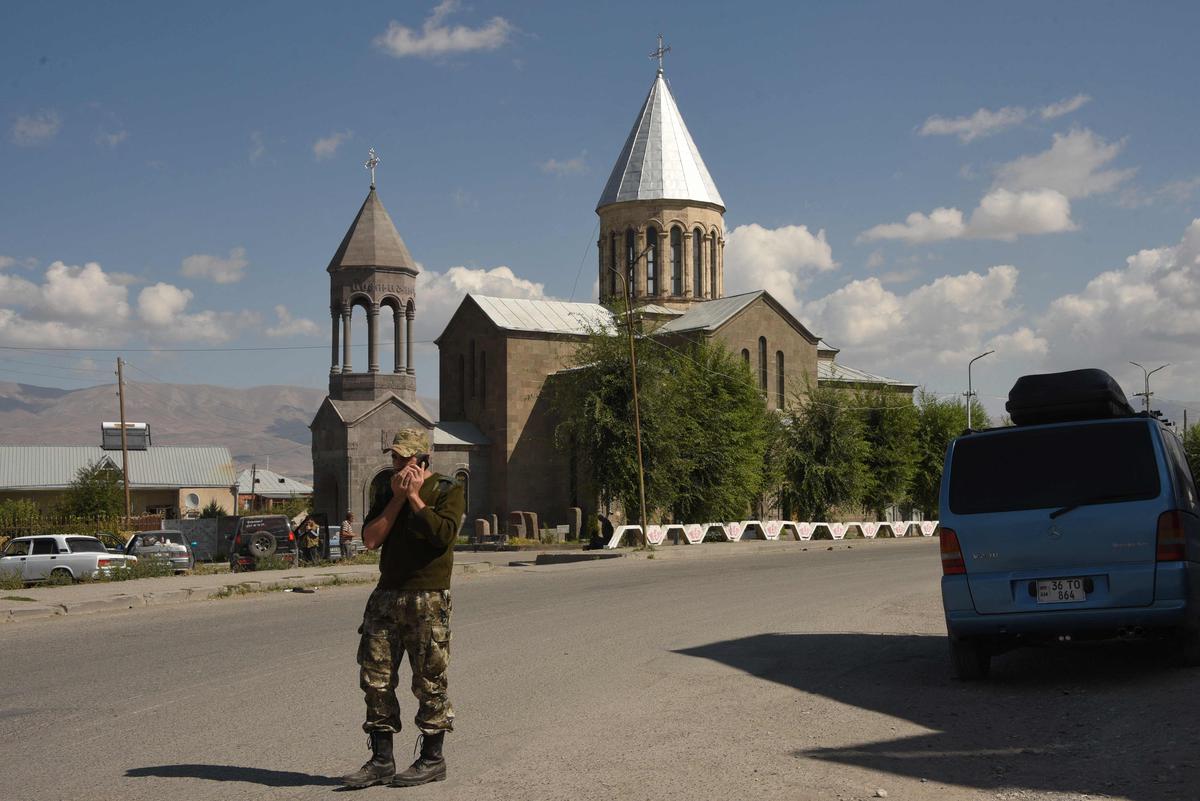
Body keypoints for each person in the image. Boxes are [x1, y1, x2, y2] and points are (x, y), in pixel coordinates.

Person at [341, 428, 465, 790]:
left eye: (404, 458)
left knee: (429, 680)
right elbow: (370, 539)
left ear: (423, 459)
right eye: (394, 457)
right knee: (375, 678)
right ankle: (381, 760)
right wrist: (397, 499)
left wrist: (415, 498)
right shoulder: (387, 492)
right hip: (386, 597)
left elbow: (443, 535)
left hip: (427, 598)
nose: (397, 464)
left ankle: (432, 759)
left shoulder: (446, 490)